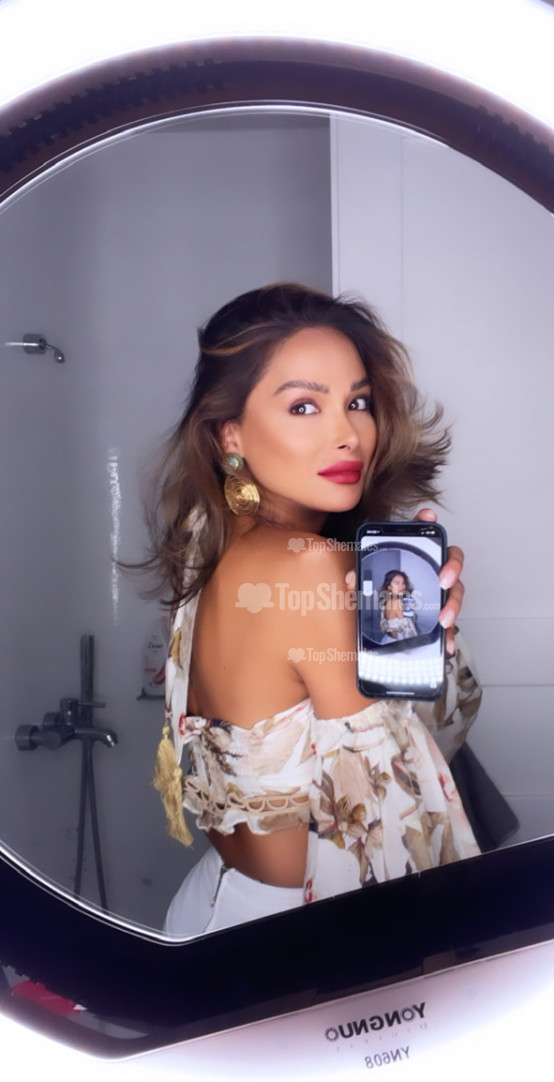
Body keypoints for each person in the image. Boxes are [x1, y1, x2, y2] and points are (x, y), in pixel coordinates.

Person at [144, 283, 483, 936]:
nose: (347, 434)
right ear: (230, 434)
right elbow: (394, 837)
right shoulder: (311, 567)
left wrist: (427, 633)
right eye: (304, 405)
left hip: (211, 908)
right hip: (297, 938)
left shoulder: (206, 542)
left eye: (357, 402)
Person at [378, 569, 422, 640]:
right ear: (389, 587)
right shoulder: (397, 602)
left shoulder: (387, 601)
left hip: (388, 640)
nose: (401, 586)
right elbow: (408, 628)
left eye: (403, 583)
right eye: (397, 583)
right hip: (398, 643)